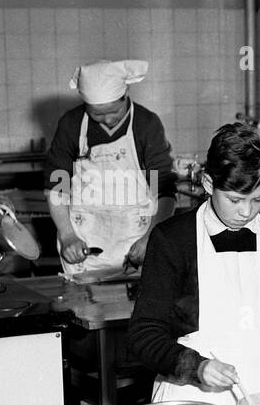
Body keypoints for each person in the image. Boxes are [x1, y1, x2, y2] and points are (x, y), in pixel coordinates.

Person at [128, 124, 260, 405]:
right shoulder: (174, 239)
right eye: (235, 199)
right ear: (208, 184)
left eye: (258, 199)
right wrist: (196, 367)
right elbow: (143, 336)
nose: (246, 212)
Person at [45, 59, 176, 276]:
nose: (107, 119)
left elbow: (162, 188)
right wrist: (67, 235)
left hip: (136, 241)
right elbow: (58, 185)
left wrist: (152, 238)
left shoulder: (145, 125)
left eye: (114, 111)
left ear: (126, 95)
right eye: (97, 114)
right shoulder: (72, 124)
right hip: (84, 243)